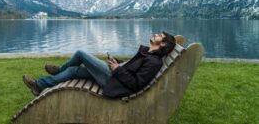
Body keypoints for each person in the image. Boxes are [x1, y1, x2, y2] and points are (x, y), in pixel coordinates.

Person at [23, 31, 176, 98]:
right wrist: (118, 63)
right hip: (115, 75)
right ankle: (39, 85)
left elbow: (136, 83)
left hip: (114, 81)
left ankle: (58, 70)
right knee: (74, 70)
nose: (155, 35)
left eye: (159, 36)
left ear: (162, 44)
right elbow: (131, 67)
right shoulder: (147, 53)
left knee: (81, 54)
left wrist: (116, 69)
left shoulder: (154, 62)